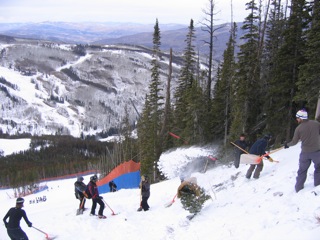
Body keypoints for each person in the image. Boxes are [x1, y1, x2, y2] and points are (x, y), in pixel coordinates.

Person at [284, 109, 320, 192]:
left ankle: (298, 188)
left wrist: (287, 145)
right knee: (318, 169)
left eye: (297, 118)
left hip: (305, 153)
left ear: (301, 118)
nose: (297, 119)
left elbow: (294, 142)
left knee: (302, 171)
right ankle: (318, 186)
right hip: (317, 152)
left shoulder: (298, 128)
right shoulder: (316, 124)